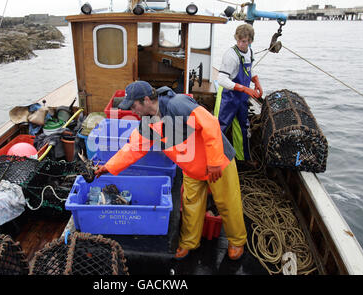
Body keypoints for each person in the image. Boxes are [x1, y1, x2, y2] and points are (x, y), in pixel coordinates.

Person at [95, 81, 247, 260]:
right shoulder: (147, 123)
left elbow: (210, 124)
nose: (132, 110)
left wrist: (214, 161)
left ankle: (237, 240)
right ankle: (189, 243)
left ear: (145, 100)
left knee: (227, 203)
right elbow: (133, 148)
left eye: (133, 105)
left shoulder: (177, 104)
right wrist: (108, 167)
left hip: (218, 163)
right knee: (191, 205)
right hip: (191, 168)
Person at [214, 24, 262, 161]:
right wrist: (244, 88)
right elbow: (222, 79)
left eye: (244, 41)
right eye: (239, 40)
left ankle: (242, 159)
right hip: (227, 97)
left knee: (243, 128)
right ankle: (215, 159)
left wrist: (256, 81)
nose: (241, 44)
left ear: (250, 41)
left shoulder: (250, 52)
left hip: (242, 98)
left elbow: (249, 70)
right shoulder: (230, 55)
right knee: (220, 127)